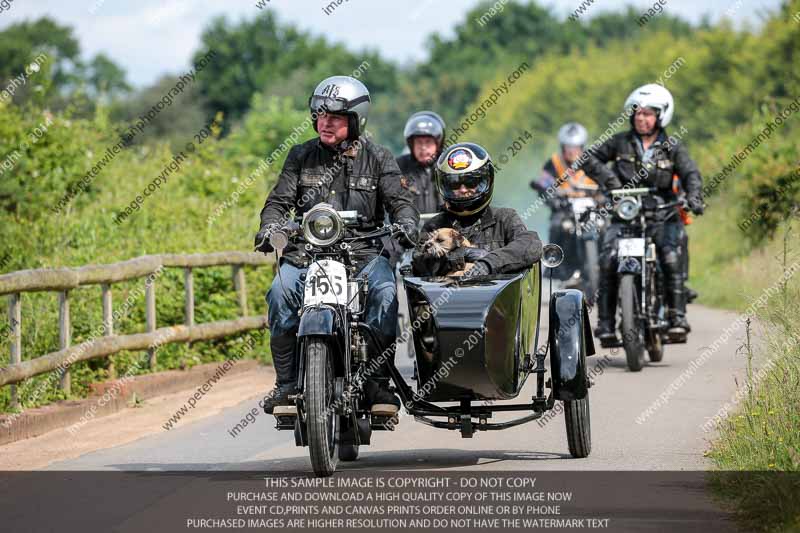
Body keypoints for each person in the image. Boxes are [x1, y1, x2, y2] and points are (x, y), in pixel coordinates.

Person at [254, 75, 419, 413]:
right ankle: (286, 385)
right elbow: (278, 201)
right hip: (307, 254)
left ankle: (377, 386)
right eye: (320, 115)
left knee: (386, 294)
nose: (324, 123)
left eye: (335, 118)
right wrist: (269, 226)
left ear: (356, 121)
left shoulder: (379, 158)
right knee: (279, 291)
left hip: (363, 253)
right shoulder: (300, 156)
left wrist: (406, 223)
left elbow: (400, 201)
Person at [587, 84, 704, 342]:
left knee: (670, 256)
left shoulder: (673, 147)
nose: (641, 118)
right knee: (608, 260)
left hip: (663, 213)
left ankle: (676, 317)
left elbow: (691, 174)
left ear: (661, 116)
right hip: (625, 213)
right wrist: (611, 183)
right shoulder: (619, 142)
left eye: (648, 114)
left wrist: (693, 196)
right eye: (638, 113)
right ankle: (605, 324)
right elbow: (589, 159)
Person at [412, 142, 542, 278]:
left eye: (470, 182)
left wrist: (487, 263)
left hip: (499, 297)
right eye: (455, 184)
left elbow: (531, 245)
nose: (463, 190)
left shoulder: (505, 218)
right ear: (444, 185)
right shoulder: (434, 226)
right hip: (450, 298)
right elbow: (420, 262)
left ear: (486, 180)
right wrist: (457, 257)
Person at [530, 122, 602, 281]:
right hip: (566, 208)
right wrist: (552, 198)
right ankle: (555, 264)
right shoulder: (554, 163)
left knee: (609, 226)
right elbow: (545, 183)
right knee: (557, 224)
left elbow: (606, 180)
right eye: (568, 147)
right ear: (562, 147)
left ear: (582, 146)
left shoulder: (594, 162)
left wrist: (603, 194)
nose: (571, 151)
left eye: (576, 147)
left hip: (593, 207)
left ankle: (610, 262)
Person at [396, 111, 447, 216]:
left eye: (428, 142)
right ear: (411, 144)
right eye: (419, 142)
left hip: (444, 230)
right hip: (408, 230)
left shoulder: (448, 167)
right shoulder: (398, 168)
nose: (423, 148)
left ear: (438, 143)